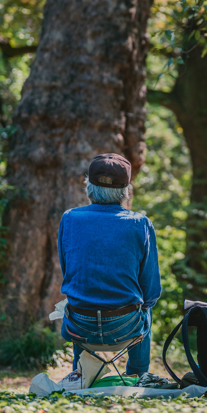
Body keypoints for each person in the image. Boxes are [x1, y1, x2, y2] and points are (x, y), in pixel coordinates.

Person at [55, 153, 161, 389]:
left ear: (89, 186)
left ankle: (81, 374)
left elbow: (68, 270)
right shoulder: (140, 223)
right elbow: (151, 289)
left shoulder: (69, 218)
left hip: (80, 327)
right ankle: (136, 376)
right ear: (126, 190)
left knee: (78, 297)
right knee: (146, 305)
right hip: (126, 326)